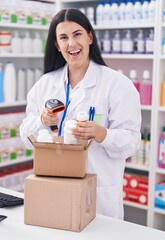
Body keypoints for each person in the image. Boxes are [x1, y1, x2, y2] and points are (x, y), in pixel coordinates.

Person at [19, 8, 141, 219]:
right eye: (63, 38)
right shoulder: (45, 84)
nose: (71, 44)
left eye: (77, 34)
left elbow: (132, 142)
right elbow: (25, 137)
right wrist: (41, 120)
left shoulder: (117, 85)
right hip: (53, 192)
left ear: (90, 37)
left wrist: (101, 133)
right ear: (57, 45)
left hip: (98, 198)